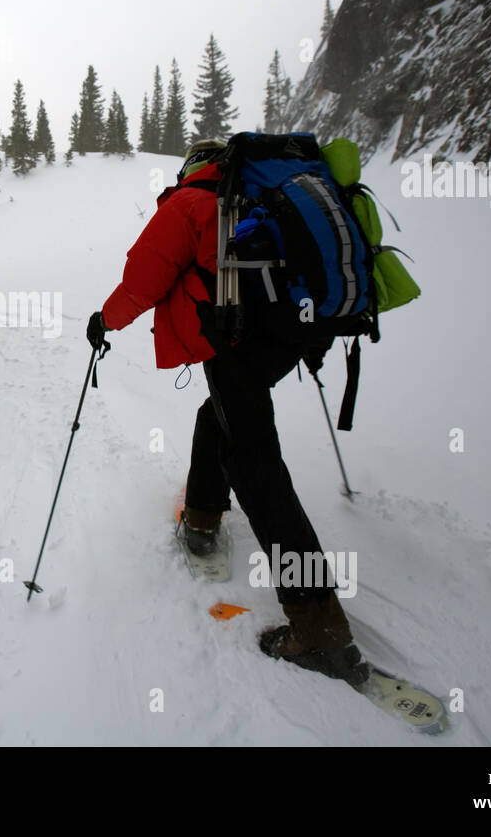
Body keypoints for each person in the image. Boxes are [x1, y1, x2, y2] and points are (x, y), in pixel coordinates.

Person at [86, 140, 369, 686]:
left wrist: (106, 321)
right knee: (220, 416)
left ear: (195, 168)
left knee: (257, 467)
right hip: (293, 334)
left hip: (235, 339)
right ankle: (202, 514)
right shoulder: (268, 192)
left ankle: (318, 628)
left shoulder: (190, 203)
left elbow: (143, 280)